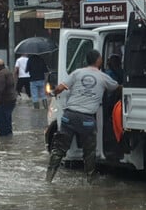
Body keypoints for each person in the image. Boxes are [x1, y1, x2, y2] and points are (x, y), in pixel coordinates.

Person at [46, 49, 121, 184]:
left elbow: (59, 89)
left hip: (68, 116)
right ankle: (90, 180)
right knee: (89, 152)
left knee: (59, 149)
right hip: (87, 119)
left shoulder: (77, 73)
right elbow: (116, 88)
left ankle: (48, 179)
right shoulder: (103, 77)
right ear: (98, 60)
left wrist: (52, 93)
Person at [0, 59, 17, 136]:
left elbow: (0, 89)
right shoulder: (7, 72)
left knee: (1, 123)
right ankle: (8, 140)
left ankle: (4, 141)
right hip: (10, 100)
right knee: (7, 121)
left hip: (3, 102)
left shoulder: (1, 74)